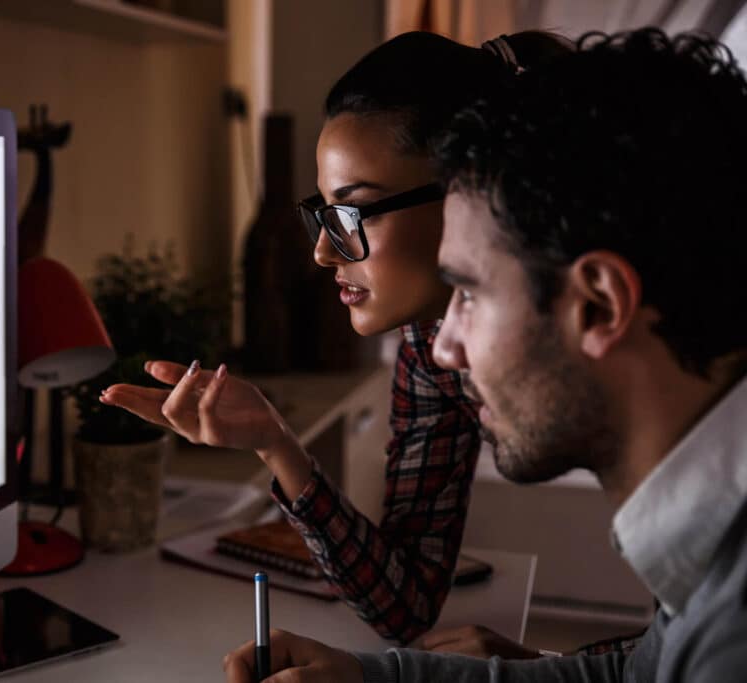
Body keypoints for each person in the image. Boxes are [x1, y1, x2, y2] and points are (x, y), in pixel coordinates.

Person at [220, 27, 747, 683]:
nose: (444, 349)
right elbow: (647, 669)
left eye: (468, 290)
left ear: (599, 304)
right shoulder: (708, 562)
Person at [101, 30, 627, 659]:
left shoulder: (644, 353)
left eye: (355, 211)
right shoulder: (430, 347)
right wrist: (275, 442)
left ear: (478, 194)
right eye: (323, 213)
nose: (323, 253)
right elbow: (404, 603)